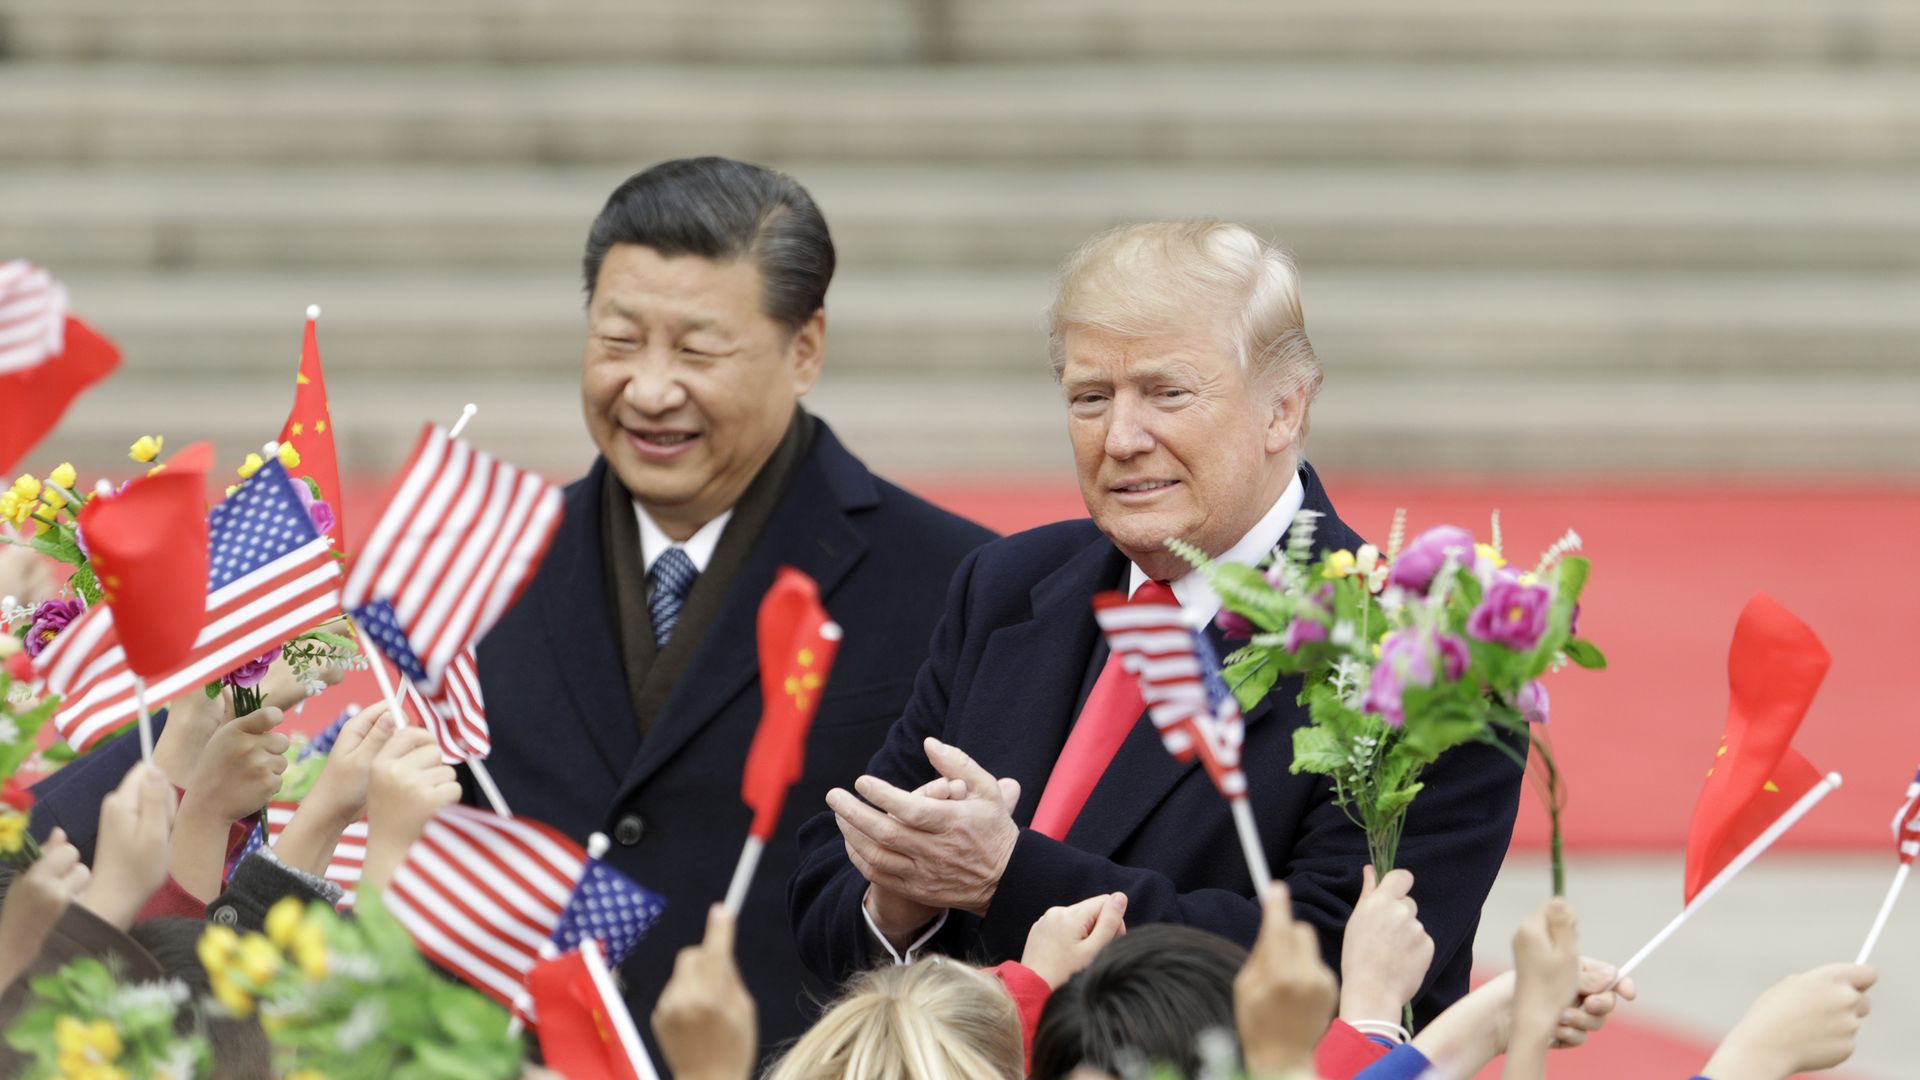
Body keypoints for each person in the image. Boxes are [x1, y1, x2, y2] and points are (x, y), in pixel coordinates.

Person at [790, 219, 1520, 1022]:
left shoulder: (1421, 658)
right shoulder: (1006, 584)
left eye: (1168, 393)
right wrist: (900, 901)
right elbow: (828, 891)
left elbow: (1332, 972)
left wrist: (1008, 876)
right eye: (1090, 399)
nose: (1122, 439)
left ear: (1284, 409)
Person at [475, 156, 994, 1060]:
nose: (649, 390)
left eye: (697, 351)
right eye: (619, 341)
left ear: (805, 349)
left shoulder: (955, 581)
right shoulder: (483, 561)